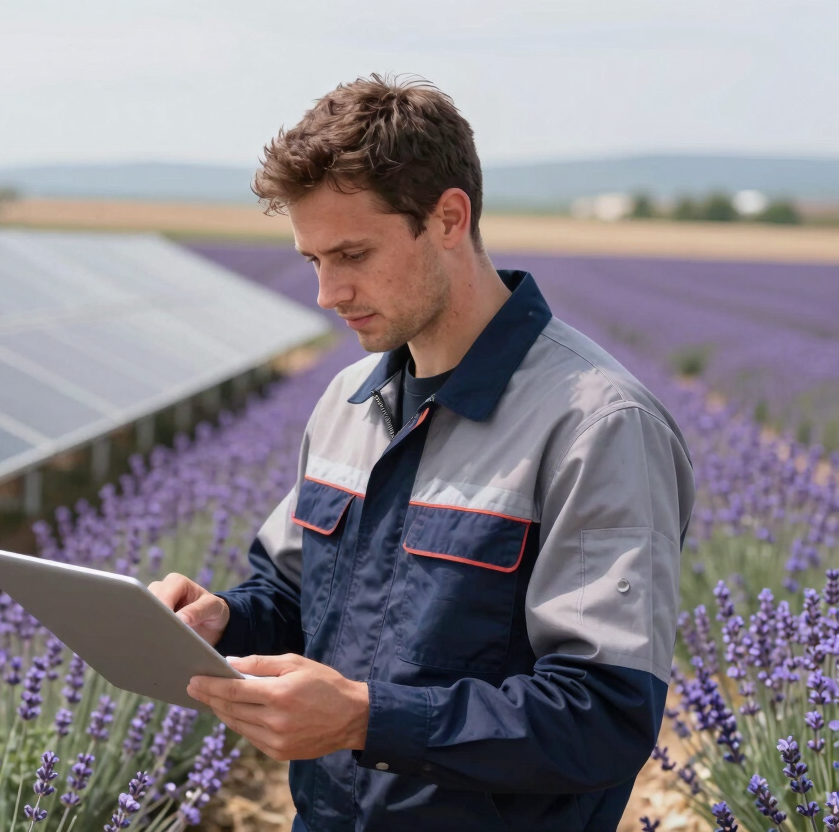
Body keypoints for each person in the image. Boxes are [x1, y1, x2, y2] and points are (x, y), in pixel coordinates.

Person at [148, 74, 695, 831]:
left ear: (448, 218)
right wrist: (222, 622)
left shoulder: (597, 426)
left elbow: (602, 716)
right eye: (313, 261)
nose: (328, 293)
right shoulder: (347, 401)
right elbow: (294, 598)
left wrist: (365, 721)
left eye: (352, 253)